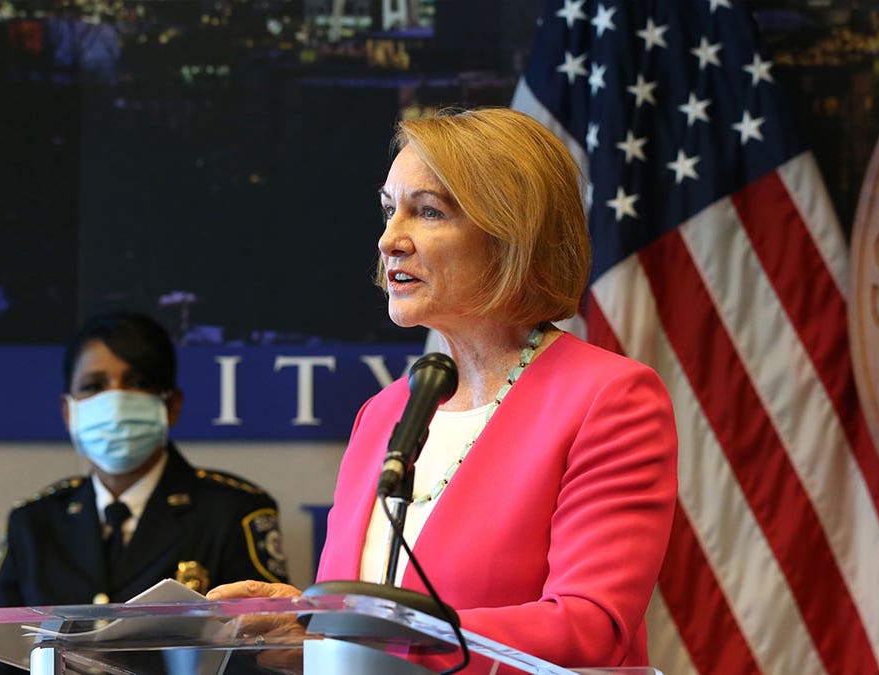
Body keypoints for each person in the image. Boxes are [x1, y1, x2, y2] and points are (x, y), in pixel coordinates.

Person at [207, 107, 678, 672]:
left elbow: (588, 628)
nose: (389, 240)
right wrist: (308, 616)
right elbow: (355, 617)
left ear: (512, 236)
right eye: (388, 211)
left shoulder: (609, 399)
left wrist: (365, 635)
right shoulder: (386, 413)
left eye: (427, 212)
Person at [0, 311, 289, 674]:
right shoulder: (32, 525)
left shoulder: (233, 512)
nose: (114, 402)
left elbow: (263, 656)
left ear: (171, 405)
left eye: (136, 382)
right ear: (68, 411)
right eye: (94, 386)